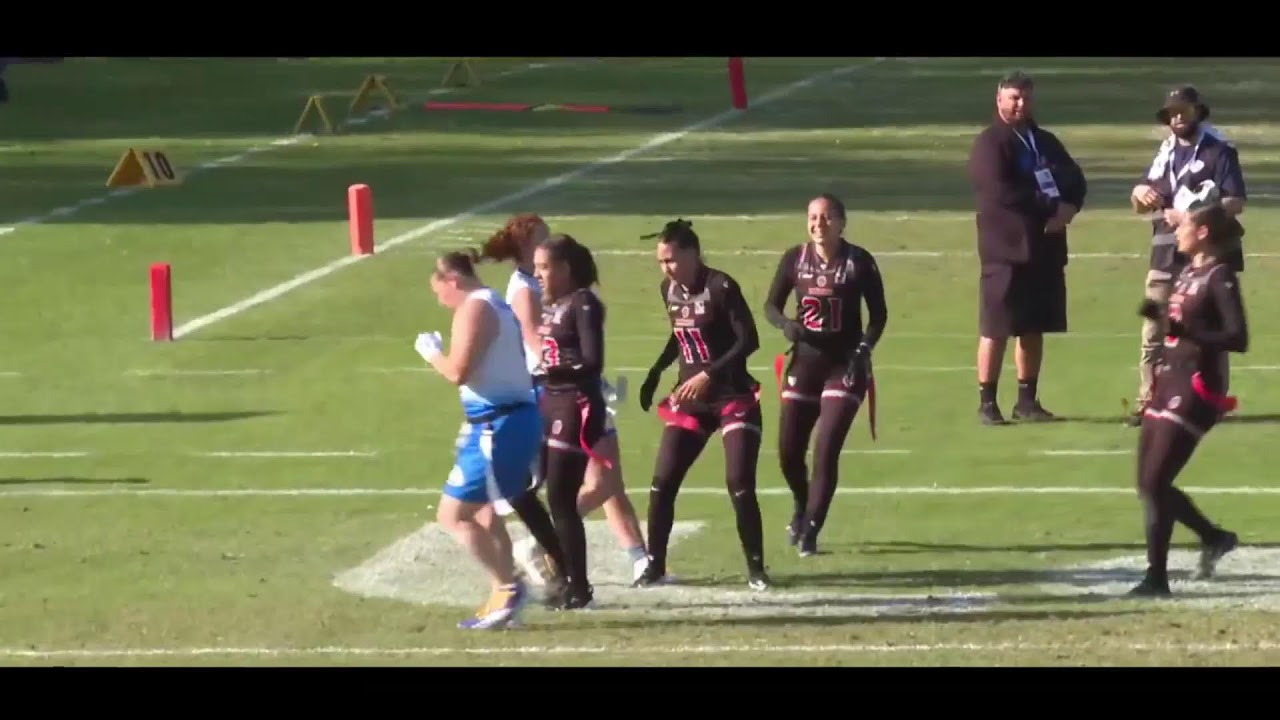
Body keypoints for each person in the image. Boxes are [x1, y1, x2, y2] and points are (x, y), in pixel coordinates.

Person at [476, 214, 650, 588]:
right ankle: (546, 547)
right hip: (559, 394)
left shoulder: (556, 290)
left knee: (606, 478)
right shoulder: (526, 289)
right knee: (598, 480)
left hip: (564, 387)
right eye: (541, 241)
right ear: (526, 249)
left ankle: (639, 558)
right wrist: (575, 379)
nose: (547, 245)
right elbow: (539, 344)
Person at [634, 219, 770, 590]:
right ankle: (655, 565)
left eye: (672, 260)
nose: (666, 269)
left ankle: (756, 569)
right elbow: (680, 336)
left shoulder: (721, 287)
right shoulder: (669, 290)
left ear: (693, 254)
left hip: (733, 396)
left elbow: (749, 340)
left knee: (738, 481)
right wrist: (656, 372)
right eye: (661, 262)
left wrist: (708, 374)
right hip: (690, 401)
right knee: (662, 481)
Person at [415, 251, 544, 629]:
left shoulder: (475, 307)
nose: (441, 302)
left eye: (440, 292)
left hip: (497, 426)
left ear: (452, 280)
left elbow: (457, 371)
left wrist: (431, 353)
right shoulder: (494, 302)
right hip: (502, 421)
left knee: (453, 515)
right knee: (484, 513)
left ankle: (508, 589)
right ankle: (502, 596)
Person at [1129, 200, 1245, 597]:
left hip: (1197, 387)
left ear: (1203, 233)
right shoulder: (1185, 272)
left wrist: (1182, 329)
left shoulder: (1220, 276)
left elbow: (1237, 337)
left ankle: (1157, 578)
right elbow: (1178, 328)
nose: (1176, 232)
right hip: (1168, 381)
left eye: (1183, 227)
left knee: (1156, 479)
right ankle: (1213, 537)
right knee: (1147, 483)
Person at [762, 194, 888, 556]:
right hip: (804, 363)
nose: (819, 224)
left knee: (826, 448)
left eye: (827, 217)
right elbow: (771, 305)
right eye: (813, 217)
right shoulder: (794, 259)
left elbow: (878, 315)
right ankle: (802, 506)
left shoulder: (859, 261)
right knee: (788, 452)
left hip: (844, 366)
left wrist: (863, 350)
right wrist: (786, 325)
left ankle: (812, 530)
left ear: (842, 222)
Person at [967, 70, 1087, 425]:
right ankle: (987, 402)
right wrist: (1052, 208)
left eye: (1026, 97)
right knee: (996, 327)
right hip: (1005, 251)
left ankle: (1027, 400)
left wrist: (1070, 206)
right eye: (1013, 97)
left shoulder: (1044, 140)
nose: (1021, 104)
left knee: (1034, 326)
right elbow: (1000, 191)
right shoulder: (990, 144)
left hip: (1044, 249)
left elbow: (1074, 177)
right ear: (999, 99)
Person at [1127, 86, 1248, 426]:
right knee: (1154, 328)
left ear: (1198, 111)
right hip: (1165, 253)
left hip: (1207, 258)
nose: (1177, 117)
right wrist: (1138, 192)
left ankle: (1213, 400)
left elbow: (1235, 201)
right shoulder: (1165, 151)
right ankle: (1148, 399)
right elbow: (1142, 200)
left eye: (1183, 110)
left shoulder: (1218, 150)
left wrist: (1195, 216)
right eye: (1171, 112)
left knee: (1210, 331)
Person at [532, 232, 609, 610]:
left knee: (562, 498)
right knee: (531, 490)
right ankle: (564, 572)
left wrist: (557, 370)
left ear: (564, 268)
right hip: (550, 402)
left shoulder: (584, 303)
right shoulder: (553, 303)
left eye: (544, 267)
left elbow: (593, 360)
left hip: (576, 406)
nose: (539, 275)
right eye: (536, 268)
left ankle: (578, 586)